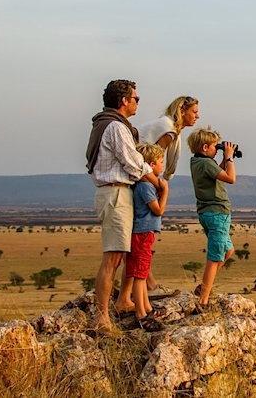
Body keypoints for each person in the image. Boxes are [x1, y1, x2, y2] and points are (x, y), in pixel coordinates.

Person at [85, 79, 159, 334]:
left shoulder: (107, 123)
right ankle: (102, 316)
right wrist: (157, 181)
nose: (138, 102)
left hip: (117, 193)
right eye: (136, 98)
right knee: (114, 256)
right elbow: (133, 162)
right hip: (116, 193)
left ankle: (123, 300)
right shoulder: (116, 126)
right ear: (124, 100)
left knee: (125, 254)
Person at [121, 96, 199, 298]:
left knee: (139, 242)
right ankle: (142, 289)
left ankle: (143, 287)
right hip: (144, 180)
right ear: (182, 109)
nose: (197, 116)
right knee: (142, 239)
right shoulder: (169, 129)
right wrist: (161, 186)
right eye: (194, 111)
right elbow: (156, 158)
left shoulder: (170, 127)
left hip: (139, 178)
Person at [120, 143, 167, 332]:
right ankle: (141, 313)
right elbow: (158, 210)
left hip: (139, 232)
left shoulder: (141, 185)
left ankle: (146, 307)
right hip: (143, 232)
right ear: (151, 164)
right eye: (161, 162)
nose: (162, 165)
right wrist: (165, 192)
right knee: (140, 274)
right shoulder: (146, 186)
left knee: (138, 270)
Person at [187, 127, 237, 307]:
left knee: (228, 251)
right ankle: (204, 300)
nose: (218, 150)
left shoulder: (197, 162)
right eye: (216, 147)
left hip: (207, 213)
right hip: (217, 213)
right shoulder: (207, 164)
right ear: (205, 147)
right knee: (215, 257)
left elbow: (218, 174)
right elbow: (230, 178)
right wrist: (230, 157)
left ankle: (203, 286)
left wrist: (224, 159)